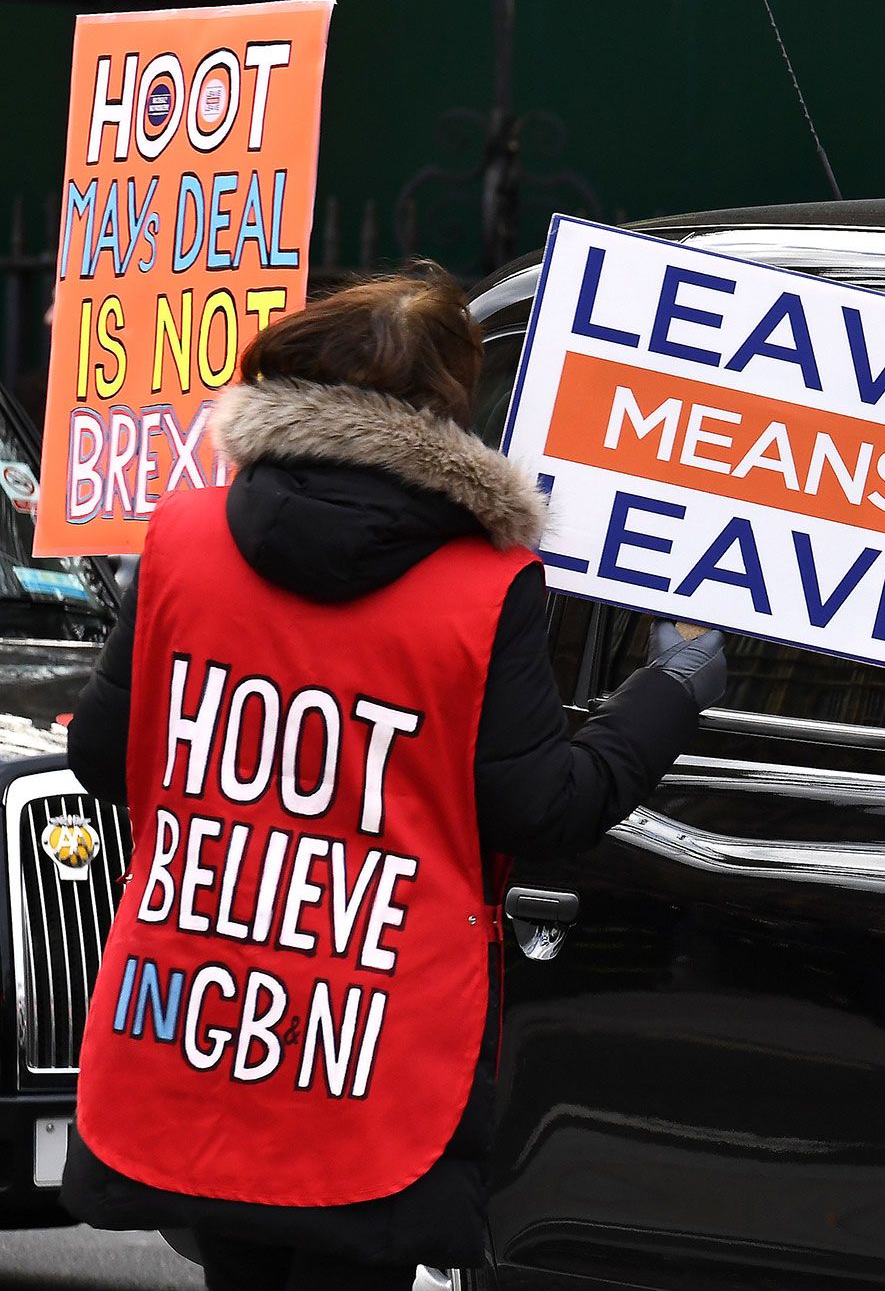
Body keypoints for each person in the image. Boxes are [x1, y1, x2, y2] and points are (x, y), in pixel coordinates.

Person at [58, 265, 725, 1291]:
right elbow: (541, 806)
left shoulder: (183, 537)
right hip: (374, 1039)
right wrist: (670, 688)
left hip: (203, 1011)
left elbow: (104, 757)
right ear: (449, 414)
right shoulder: (484, 586)